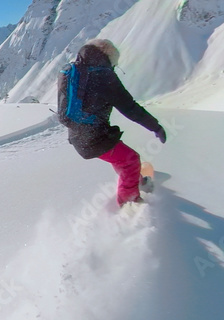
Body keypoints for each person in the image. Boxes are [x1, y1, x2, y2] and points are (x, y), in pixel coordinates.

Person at [57, 38, 166, 206]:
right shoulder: (102, 75)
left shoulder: (74, 70)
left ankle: (137, 181)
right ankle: (129, 202)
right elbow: (129, 108)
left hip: (78, 135)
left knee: (120, 156)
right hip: (94, 137)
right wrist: (155, 126)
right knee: (131, 160)